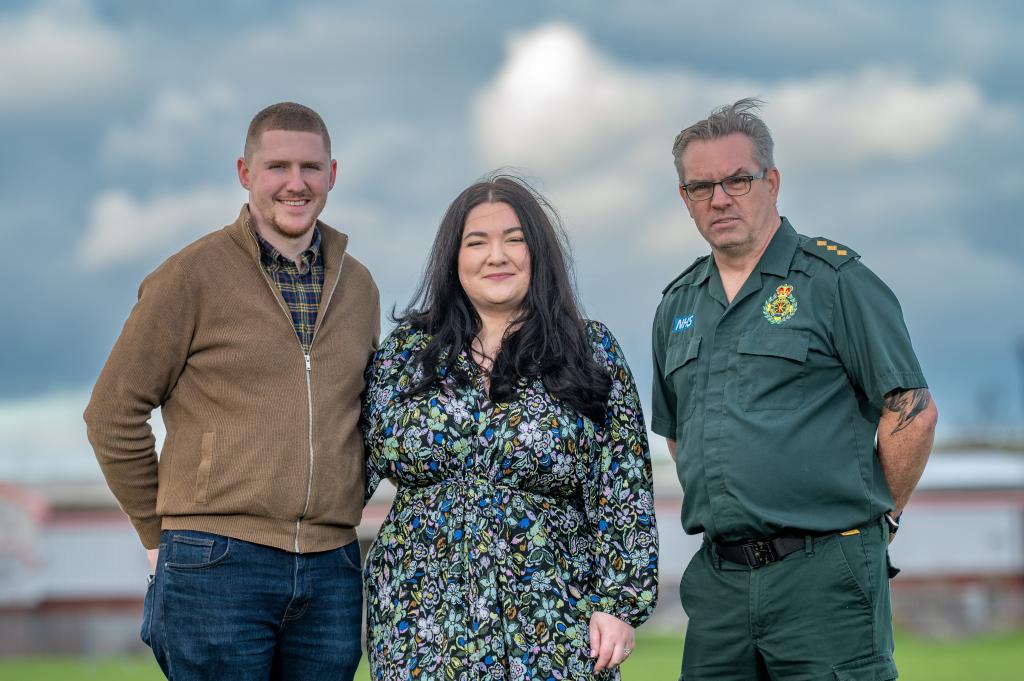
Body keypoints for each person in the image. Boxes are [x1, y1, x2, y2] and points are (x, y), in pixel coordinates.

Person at [84, 102, 379, 680]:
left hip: (332, 568)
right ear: (245, 173)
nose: (296, 184)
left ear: (333, 174)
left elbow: (362, 417)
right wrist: (158, 533)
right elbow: (112, 415)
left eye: (311, 168)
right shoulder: (190, 276)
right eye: (277, 167)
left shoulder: (360, 286)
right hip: (216, 563)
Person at [651, 99, 938, 680]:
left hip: (825, 572)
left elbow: (911, 412)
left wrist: (887, 518)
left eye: (737, 179)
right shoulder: (677, 306)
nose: (720, 198)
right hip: (721, 582)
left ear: (772, 181)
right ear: (685, 199)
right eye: (701, 186)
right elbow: (680, 436)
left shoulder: (836, 282)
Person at [362, 175, 658, 680]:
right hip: (420, 616)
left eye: (514, 240)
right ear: (453, 259)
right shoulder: (406, 354)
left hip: (553, 618)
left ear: (538, 254)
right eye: (477, 242)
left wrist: (620, 604)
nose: (496, 256)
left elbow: (624, 486)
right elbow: (349, 466)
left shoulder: (590, 350)